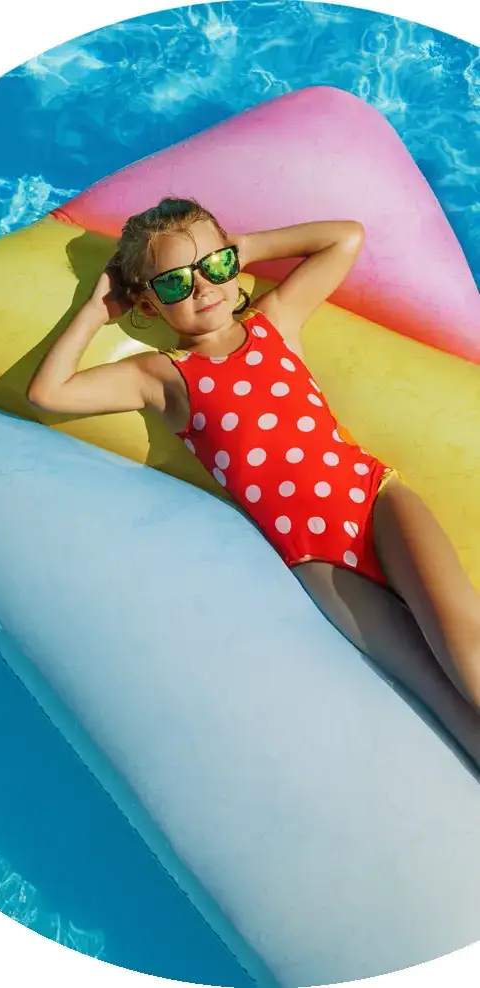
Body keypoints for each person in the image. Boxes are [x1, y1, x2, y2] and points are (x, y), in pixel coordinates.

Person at [28, 196, 480, 771]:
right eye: (173, 285)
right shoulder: (160, 376)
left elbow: (345, 237)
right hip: (318, 556)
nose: (202, 289)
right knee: (436, 692)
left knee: (467, 651)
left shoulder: (274, 321)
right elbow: (49, 394)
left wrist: (248, 247)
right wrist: (96, 312)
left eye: (214, 267)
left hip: (374, 497)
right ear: (146, 301)